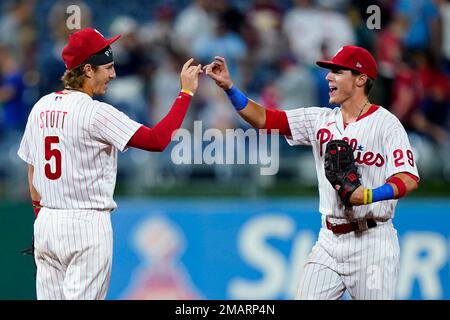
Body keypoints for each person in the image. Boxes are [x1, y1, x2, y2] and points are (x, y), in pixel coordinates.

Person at [204, 46, 419, 300]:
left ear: (360, 79)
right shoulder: (320, 120)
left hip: (372, 240)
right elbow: (264, 119)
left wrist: (370, 194)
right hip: (329, 239)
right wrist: (230, 88)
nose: (328, 77)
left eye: (337, 72)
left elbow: (408, 178)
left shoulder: (386, 124)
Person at [17, 28, 202, 300]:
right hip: (86, 223)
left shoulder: (41, 107)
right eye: (109, 68)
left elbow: (32, 170)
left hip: (46, 222)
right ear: (88, 70)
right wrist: (185, 92)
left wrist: (41, 218)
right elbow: (157, 140)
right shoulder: (95, 113)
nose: (113, 74)